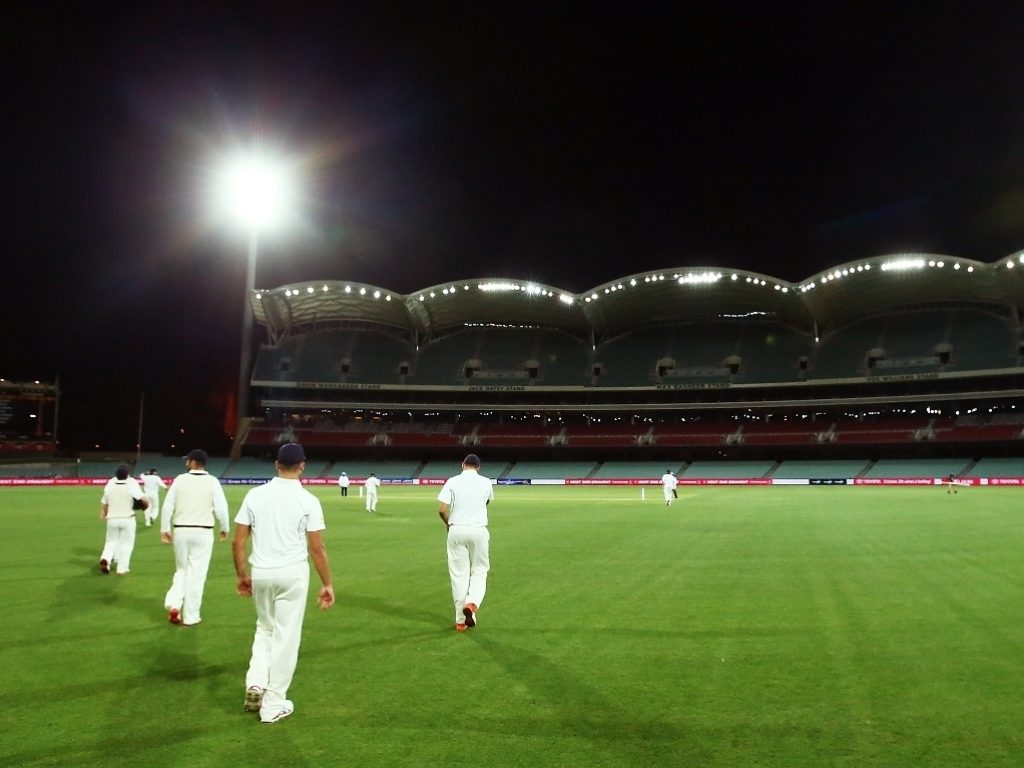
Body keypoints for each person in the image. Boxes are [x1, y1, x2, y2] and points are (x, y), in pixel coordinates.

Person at [233, 442, 335, 724]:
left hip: (262, 572)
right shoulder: (309, 500)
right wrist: (327, 583)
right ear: (302, 465)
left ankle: (256, 682)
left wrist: (242, 575)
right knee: (286, 638)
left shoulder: (255, 495)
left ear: (276, 464)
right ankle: (273, 704)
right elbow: (317, 548)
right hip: (292, 574)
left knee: (265, 628)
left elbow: (239, 540)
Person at [160, 449, 230, 626]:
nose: (186, 463)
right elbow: (221, 507)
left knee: (181, 570)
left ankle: (175, 603)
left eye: (188, 460)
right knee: (196, 575)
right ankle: (191, 616)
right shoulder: (212, 481)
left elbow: (168, 506)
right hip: (203, 532)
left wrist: (164, 528)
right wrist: (224, 527)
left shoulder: (180, 480)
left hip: (181, 530)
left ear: (193, 462)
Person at [437, 454, 494, 631]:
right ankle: (472, 603)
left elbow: (442, 510)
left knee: (459, 575)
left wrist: (448, 524)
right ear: (478, 467)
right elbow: (485, 504)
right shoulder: (486, 482)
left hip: (456, 530)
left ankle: (461, 621)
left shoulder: (452, 481)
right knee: (479, 571)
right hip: (478, 530)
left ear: (462, 465)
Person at [99, 464, 147, 575]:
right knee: (127, 544)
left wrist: (104, 514)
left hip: (112, 518)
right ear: (127, 475)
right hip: (127, 518)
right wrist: (145, 506)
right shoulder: (131, 486)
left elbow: (105, 503)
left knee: (111, 542)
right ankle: (122, 568)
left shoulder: (110, 486)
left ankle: (106, 558)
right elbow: (143, 499)